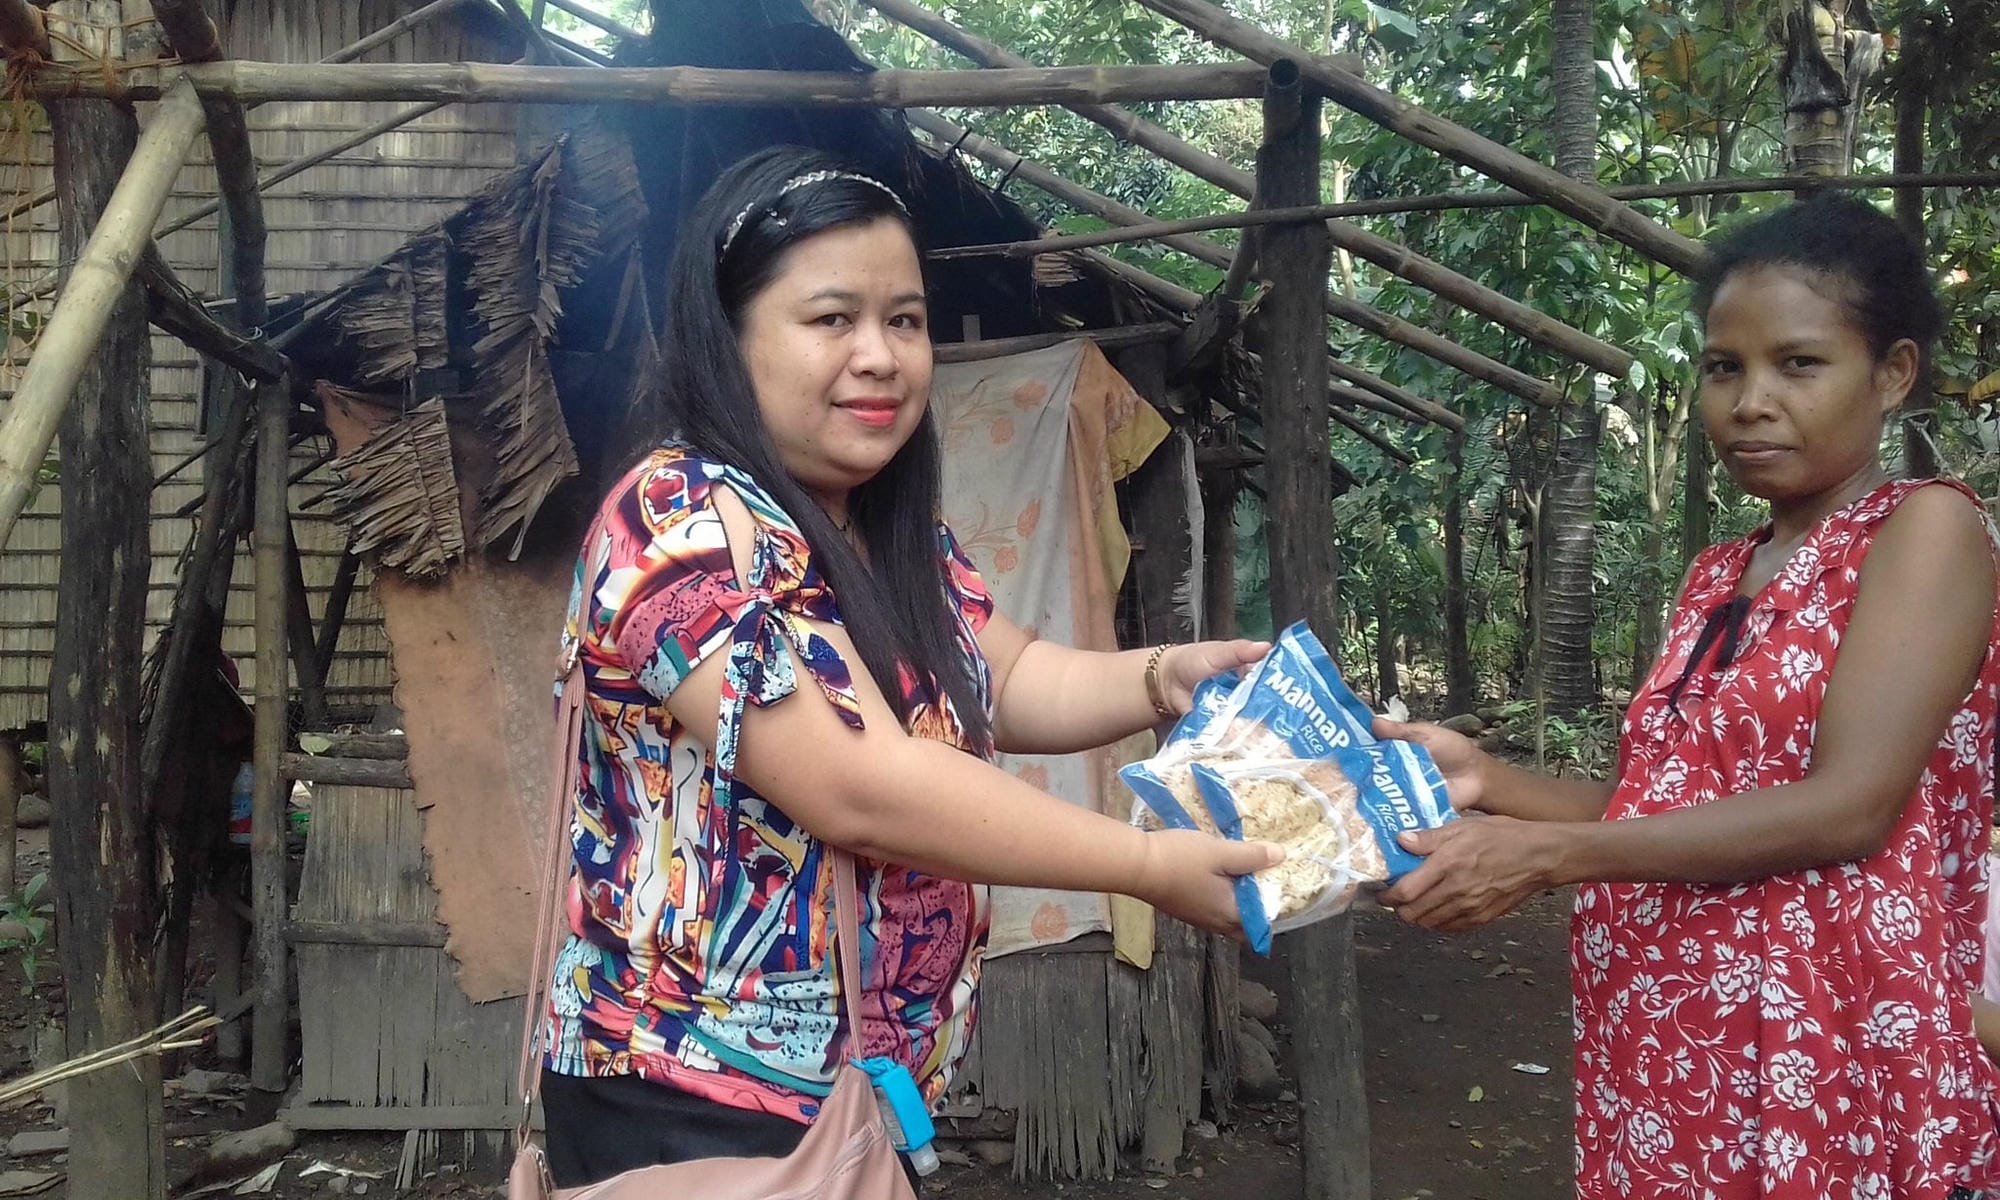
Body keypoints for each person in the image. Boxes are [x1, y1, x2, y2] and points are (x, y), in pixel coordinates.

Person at [535, 145, 1280, 1188]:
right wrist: (1148, 867)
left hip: (848, 1098)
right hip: (688, 1097)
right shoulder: (676, 521)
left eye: (904, 319)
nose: (881, 356)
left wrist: (1163, 678)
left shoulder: (878, 528)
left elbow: (1004, 677)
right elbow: (859, 787)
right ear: (727, 335)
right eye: (831, 318)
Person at [1376, 194, 2000, 1198]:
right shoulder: (1718, 572)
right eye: (1723, 367)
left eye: (1798, 364)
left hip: (1826, 1049)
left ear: (1890, 374)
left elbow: (1850, 808)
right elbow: (1655, 808)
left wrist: (1546, 856)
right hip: (1673, 1041)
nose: (1750, 401)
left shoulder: (1922, 532)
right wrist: (1485, 778)